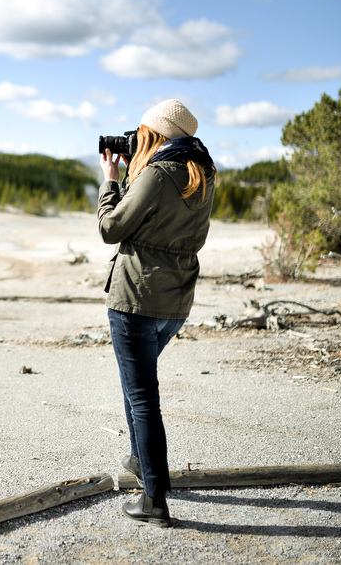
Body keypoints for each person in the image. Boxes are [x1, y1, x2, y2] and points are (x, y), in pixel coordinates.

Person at [97, 98, 215, 527]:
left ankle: (155, 501)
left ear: (155, 134)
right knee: (138, 386)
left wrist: (111, 181)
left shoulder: (157, 173)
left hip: (136, 299)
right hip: (175, 302)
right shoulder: (201, 172)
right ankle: (139, 459)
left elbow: (112, 228)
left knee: (143, 397)